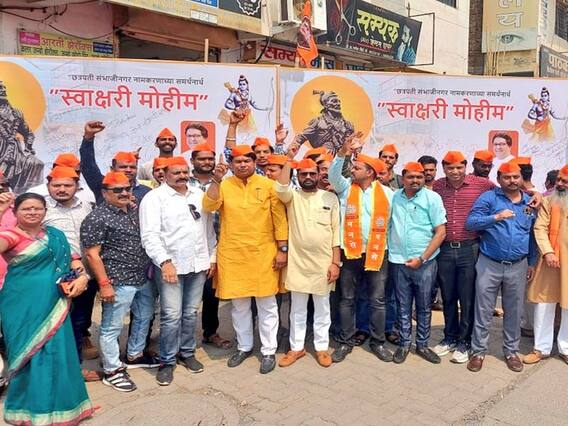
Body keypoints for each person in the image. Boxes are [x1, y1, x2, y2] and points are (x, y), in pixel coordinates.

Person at [0, 192, 94, 425]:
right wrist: (0, 211)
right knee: (30, 353)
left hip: (55, 301)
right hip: (22, 304)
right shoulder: (10, 235)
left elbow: (74, 260)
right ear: (15, 212)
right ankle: (29, 410)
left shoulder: (55, 234)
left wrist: (82, 278)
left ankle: (65, 408)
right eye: (26, 208)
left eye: (37, 208)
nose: (32, 212)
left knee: (58, 352)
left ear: (45, 211)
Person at [203, 145, 288, 374]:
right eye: (238, 161)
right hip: (233, 254)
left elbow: (279, 219)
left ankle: (268, 351)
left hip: (263, 253)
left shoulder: (268, 185)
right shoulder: (224, 185)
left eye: (246, 161)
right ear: (231, 165)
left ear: (254, 163)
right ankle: (244, 347)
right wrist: (216, 180)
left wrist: (282, 249)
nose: (242, 165)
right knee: (239, 306)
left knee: (267, 305)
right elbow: (209, 205)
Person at [140, 156, 216, 385]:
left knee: (190, 312)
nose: (182, 176)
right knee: (171, 315)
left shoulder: (198, 194)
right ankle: (167, 361)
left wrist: (211, 258)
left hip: (198, 264)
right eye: (176, 172)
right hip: (170, 266)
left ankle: (187, 352)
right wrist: (164, 262)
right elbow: (149, 236)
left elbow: (208, 229)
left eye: (184, 172)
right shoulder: (154, 198)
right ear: (164, 174)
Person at [81, 172, 157, 392]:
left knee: (144, 316)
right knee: (111, 327)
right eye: (117, 190)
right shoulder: (97, 218)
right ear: (104, 193)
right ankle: (112, 370)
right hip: (118, 281)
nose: (124, 192)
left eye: (127, 188)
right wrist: (104, 284)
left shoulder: (134, 210)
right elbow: (92, 254)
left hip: (142, 277)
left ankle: (134, 355)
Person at [466, 161, 537, 373]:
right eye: (507, 177)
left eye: (516, 177)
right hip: (490, 263)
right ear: (499, 179)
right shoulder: (489, 198)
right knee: (483, 309)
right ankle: (478, 351)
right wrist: (496, 217)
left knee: (514, 310)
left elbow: (533, 236)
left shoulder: (530, 202)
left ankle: (511, 351)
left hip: (518, 264)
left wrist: (532, 262)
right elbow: (471, 223)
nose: (512, 181)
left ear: (521, 178)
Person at [328, 140, 394, 364]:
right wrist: (342, 153)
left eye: (357, 167)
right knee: (347, 299)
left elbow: (393, 224)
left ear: (370, 172)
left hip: (378, 253)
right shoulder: (346, 188)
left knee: (377, 300)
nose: (352, 169)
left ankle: (378, 342)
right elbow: (333, 175)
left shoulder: (388, 194)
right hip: (350, 253)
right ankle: (346, 342)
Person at [276, 158, 340, 368]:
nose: (308, 177)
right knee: (297, 309)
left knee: (322, 308)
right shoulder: (292, 197)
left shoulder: (330, 197)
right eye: (304, 174)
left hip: (323, 263)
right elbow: (281, 187)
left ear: (319, 175)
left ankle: (321, 348)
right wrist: (288, 160)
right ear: (298, 176)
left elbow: (336, 232)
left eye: (312, 173)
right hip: (298, 263)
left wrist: (335, 263)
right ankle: (296, 348)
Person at [432, 151, 495, 364]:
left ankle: (465, 341)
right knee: (447, 295)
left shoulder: (481, 185)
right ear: (444, 168)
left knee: (467, 297)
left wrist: (534, 194)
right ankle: (449, 336)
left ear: (465, 166)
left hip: (470, 248)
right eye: (450, 168)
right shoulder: (438, 186)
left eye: (459, 167)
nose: (455, 171)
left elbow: (506, 192)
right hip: (444, 249)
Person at [44, 166, 101, 379]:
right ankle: (54, 371)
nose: (61, 189)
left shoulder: (87, 206)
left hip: (87, 274)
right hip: (55, 278)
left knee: (79, 322)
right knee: (56, 325)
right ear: (48, 185)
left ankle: (75, 370)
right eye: (56, 185)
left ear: (77, 186)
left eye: (67, 185)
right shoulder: (41, 209)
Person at [389, 162, 447, 364]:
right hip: (398, 260)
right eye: (411, 177)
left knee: (423, 306)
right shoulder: (394, 197)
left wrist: (422, 258)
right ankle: (404, 343)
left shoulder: (432, 198)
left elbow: (441, 232)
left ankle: (422, 344)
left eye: (419, 177)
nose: (415, 180)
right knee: (402, 305)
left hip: (425, 262)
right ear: (403, 178)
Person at [188, 143, 232, 350]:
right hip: (189, 246)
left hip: (218, 245)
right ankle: (181, 338)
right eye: (201, 158)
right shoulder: (184, 183)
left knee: (211, 293)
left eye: (210, 159)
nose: (206, 162)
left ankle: (210, 332)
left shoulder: (225, 183)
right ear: (192, 161)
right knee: (184, 297)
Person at [524, 165, 568, 365]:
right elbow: (540, 227)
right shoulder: (548, 201)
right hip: (551, 260)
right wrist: (548, 251)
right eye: (559, 180)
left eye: (565, 181)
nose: (560, 184)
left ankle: (565, 348)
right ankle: (541, 348)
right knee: (544, 303)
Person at [80, 121, 151, 204]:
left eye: (132, 167)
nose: (128, 170)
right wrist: (88, 138)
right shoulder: (103, 185)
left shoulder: (147, 192)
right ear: (112, 169)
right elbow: (88, 166)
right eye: (123, 167)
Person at [0, 80, 44, 194]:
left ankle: (27, 196)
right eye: (0, 88)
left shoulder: (16, 113)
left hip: (15, 153)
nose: (3, 90)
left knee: (37, 163)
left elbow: (28, 134)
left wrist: (28, 149)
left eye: (4, 88)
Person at [28, 152, 96, 205]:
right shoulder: (36, 192)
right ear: (54, 170)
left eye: (77, 171)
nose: (74, 175)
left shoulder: (89, 193)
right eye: (66, 171)